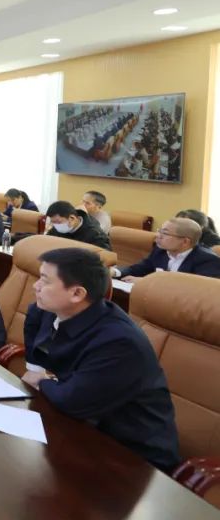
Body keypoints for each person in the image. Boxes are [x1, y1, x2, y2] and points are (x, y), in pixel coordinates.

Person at [23, 247, 180, 472]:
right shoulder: (51, 310)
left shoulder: (118, 342)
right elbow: (36, 343)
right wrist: (38, 372)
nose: (35, 286)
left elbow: (72, 400)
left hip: (131, 457)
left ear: (77, 294)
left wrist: (42, 381)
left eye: (45, 281)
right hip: (81, 427)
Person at [111, 217, 220, 281]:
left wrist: (146, 282)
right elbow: (139, 268)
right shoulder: (160, 250)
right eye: (159, 231)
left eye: (165, 233)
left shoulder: (207, 260)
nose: (158, 236)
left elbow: (192, 289)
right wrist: (115, 272)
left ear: (185, 241)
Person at [46, 200, 111, 250]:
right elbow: (46, 242)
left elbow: (105, 256)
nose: (55, 225)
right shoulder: (57, 228)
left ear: (72, 218)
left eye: (58, 222)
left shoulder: (95, 234)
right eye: (53, 222)